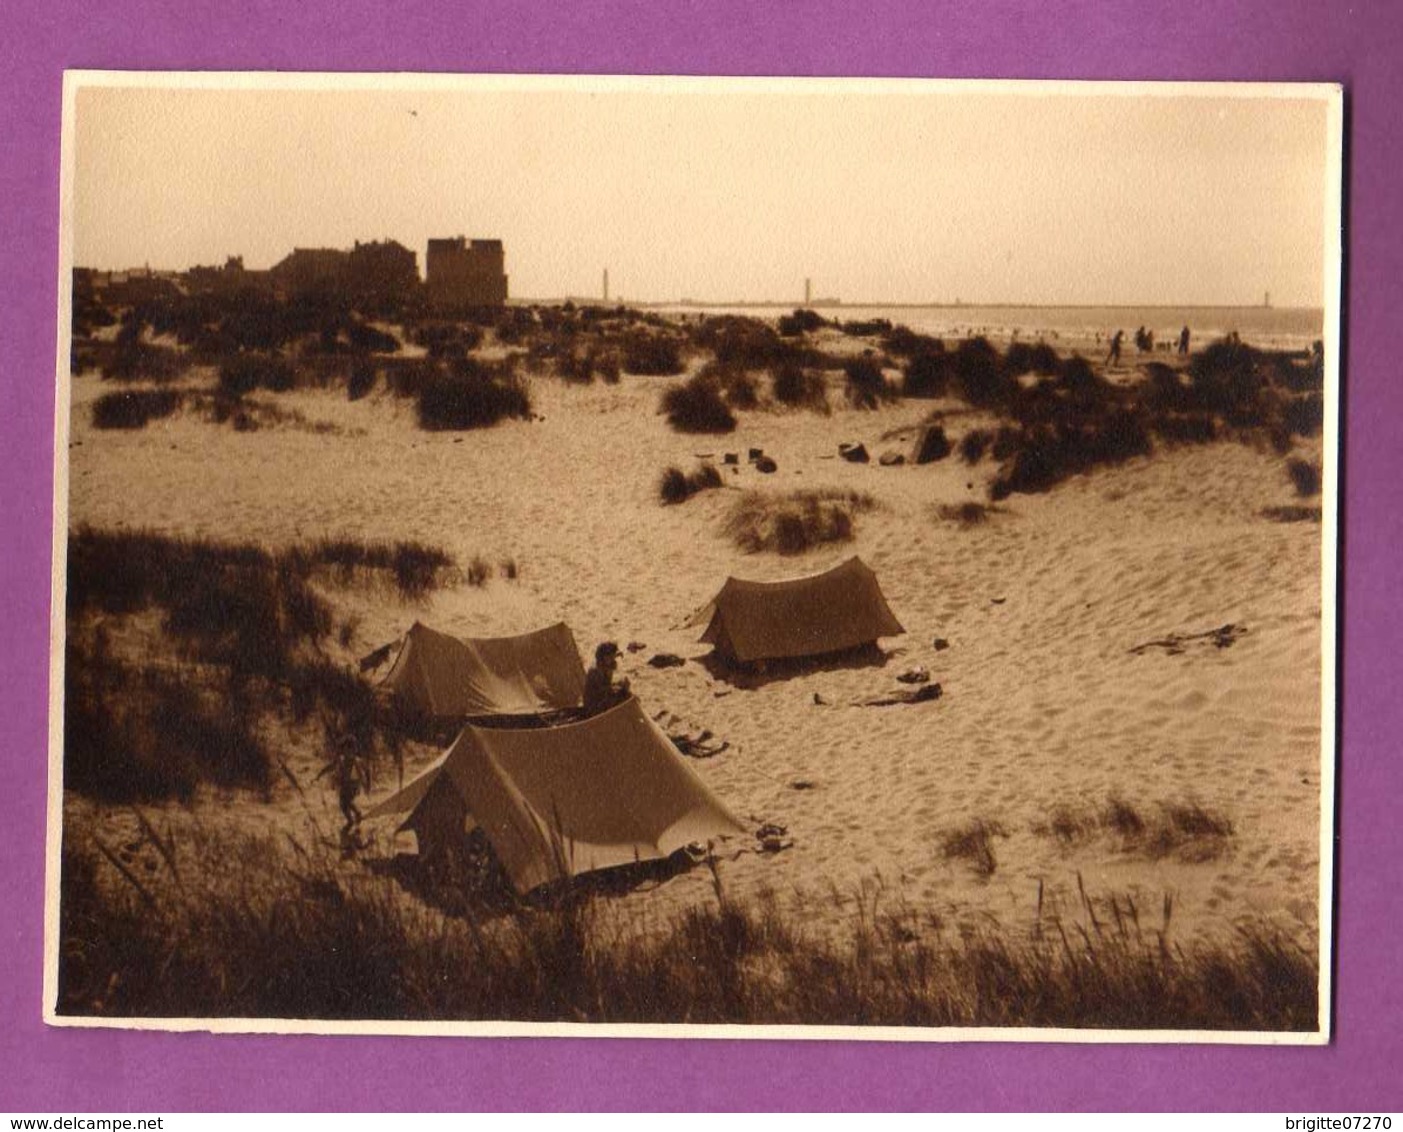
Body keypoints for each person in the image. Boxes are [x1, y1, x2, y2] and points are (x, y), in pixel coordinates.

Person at [317, 733, 372, 834]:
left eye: (352, 750)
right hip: (344, 785)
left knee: (347, 802)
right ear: (344, 750)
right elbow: (331, 766)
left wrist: (367, 784)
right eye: (347, 750)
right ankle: (352, 818)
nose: (349, 753)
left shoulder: (357, 761)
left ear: (355, 749)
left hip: (353, 785)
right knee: (343, 805)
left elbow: (367, 770)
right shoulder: (341, 760)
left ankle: (355, 816)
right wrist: (320, 774)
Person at [583, 641, 631, 715]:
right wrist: (619, 687)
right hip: (593, 707)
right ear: (604, 657)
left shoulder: (606, 667)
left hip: (601, 700)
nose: (613, 659)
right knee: (623, 695)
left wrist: (619, 685)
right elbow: (602, 691)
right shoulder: (595, 671)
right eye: (611, 656)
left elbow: (607, 687)